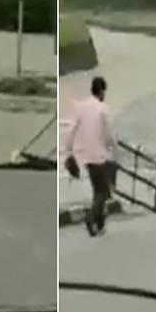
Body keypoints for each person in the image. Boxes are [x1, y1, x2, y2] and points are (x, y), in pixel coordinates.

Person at [64, 76, 115, 236]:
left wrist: (68, 150)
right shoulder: (102, 108)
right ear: (101, 92)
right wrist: (112, 146)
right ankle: (92, 218)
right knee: (103, 192)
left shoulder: (81, 107)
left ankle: (99, 224)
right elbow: (108, 134)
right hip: (100, 156)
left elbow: (71, 130)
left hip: (86, 156)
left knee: (98, 190)